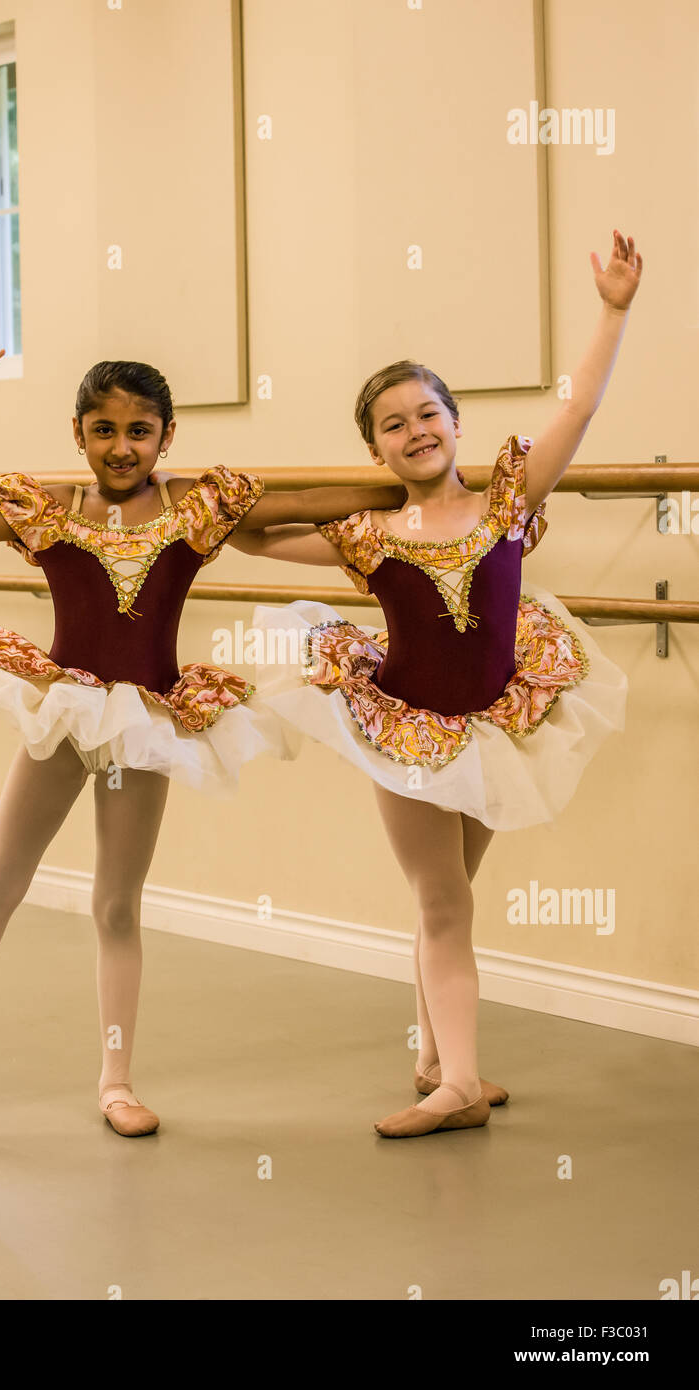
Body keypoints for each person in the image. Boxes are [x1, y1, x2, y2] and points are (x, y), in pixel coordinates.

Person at [0, 354, 406, 1142]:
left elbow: (303, 502)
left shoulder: (198, 506)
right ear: (79, 434)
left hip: (149, 722)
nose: (121, 447)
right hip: (64, 714)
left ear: (166, 436)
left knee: (117, 907)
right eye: (103, 431)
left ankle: (116, 1082)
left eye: (139, 432)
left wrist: (405, 480)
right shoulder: (50, 507)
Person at [237, 230, 643, 1137]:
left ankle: (433, 1059)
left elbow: (574, 411)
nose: (415, 430)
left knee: (452, 890)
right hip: (409, 729)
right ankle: (458, 1085)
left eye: (428, 413)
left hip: (499, 725)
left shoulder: (508, 500)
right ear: (377, 450)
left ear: (455, 422)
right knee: (443, 901)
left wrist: (612, 310)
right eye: (393, 425)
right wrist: (342, 499)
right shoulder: (373, 536)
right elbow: (252, 536)